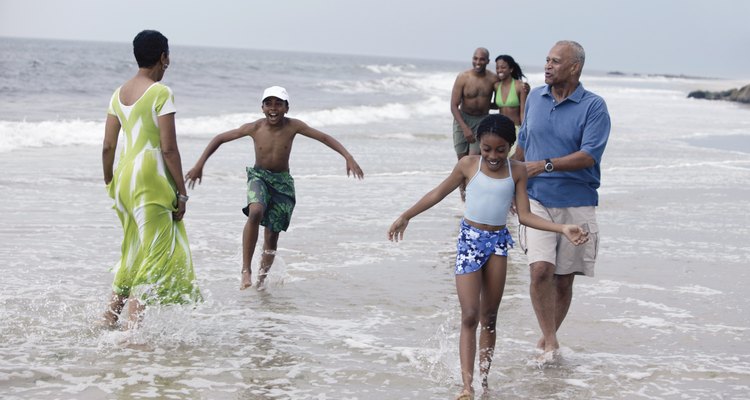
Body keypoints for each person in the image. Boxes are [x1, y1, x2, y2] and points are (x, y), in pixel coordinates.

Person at [388, 114, 588, 400]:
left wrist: (562, 228)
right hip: (469, 241)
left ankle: (483, 381)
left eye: (499, 149)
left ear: (510, 146)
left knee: (490, 318)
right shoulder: (468, 165)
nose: (493, 156)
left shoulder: (516, 171)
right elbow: (437, 193)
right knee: (469, 314)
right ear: (479, 146)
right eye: (487, 149)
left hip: (497, 244)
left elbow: (526, 215)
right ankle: (466, 386)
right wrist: (406, 216)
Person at [185, 86, 364, 290]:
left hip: (282, 183)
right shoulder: (254, 127)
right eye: (268, 103)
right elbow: (219, 138)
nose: (273, 108)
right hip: (259, 177)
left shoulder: (293, 126)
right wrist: (200, 164)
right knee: (256, 211)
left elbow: (323, 137)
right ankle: (246, 270)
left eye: (279, 103)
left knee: (271, 237)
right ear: (262, 107)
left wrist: (348, 157)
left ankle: (260, 283)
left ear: (287, 108)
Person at [513, 40, 611, 363]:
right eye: (546, 60)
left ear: (574, 67)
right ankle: (552, 341)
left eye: (555, 61)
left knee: (563, 279)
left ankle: (545, 339)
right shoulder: (536, 100)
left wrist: (545, 164)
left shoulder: (594, 107)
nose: (547, 66)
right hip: (537, 198)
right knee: (541, 270)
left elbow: (588, 156)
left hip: (577, 200)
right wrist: (511, 187)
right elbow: (523, 148)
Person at [101, 30, 201, 330]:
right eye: (167, 56)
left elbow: (108, 146)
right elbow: (168, 147)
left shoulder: (117, 94)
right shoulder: (160, 92)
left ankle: (108, 320)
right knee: (155, 254)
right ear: (163, 57)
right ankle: (133, 333)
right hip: (150, 178)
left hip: (124, 178)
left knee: (133, 250)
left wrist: (110, 181)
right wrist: (182, 193)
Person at [450, 47, 499, 200]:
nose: (478, 62)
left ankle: (472, 197)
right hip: (462, 120)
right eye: (476, 58)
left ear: (488, 61)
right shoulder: (463, 77)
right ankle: (463, 199)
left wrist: (524, 88)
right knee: (462, 162)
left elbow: (502, 100)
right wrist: (465, 128)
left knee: (473, 161)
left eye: (482, 59)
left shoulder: (493, 79)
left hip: (482, 121)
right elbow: (453, 105)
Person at [492, 54, 528, 157]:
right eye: (497, 67)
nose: (500, 70)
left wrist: (524, 131)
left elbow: (523, 110)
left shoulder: (520, 86)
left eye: (503, 67)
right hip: (499, 129)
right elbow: (496, 105)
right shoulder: (496, 86)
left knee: (514, 158)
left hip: (515, 129)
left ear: (511, 69)